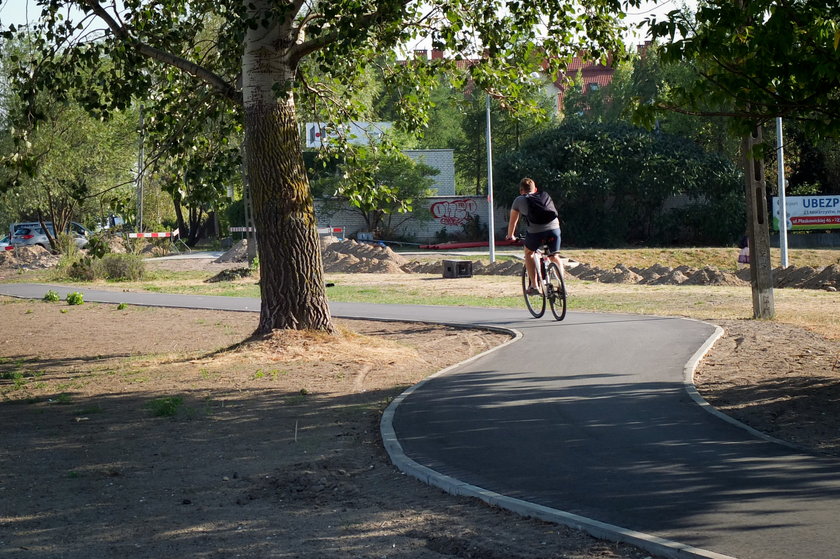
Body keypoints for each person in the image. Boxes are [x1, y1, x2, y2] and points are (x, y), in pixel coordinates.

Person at [505, 177, 563, 295]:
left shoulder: (519, 200)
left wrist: (510, 235)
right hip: (554, 229)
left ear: (521, 191)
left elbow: (513, 222)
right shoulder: (544, 195)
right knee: (554, 256)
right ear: (535, 189)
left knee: (529, 253)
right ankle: (562, 286)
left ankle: (534, 286)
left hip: (536, 232)